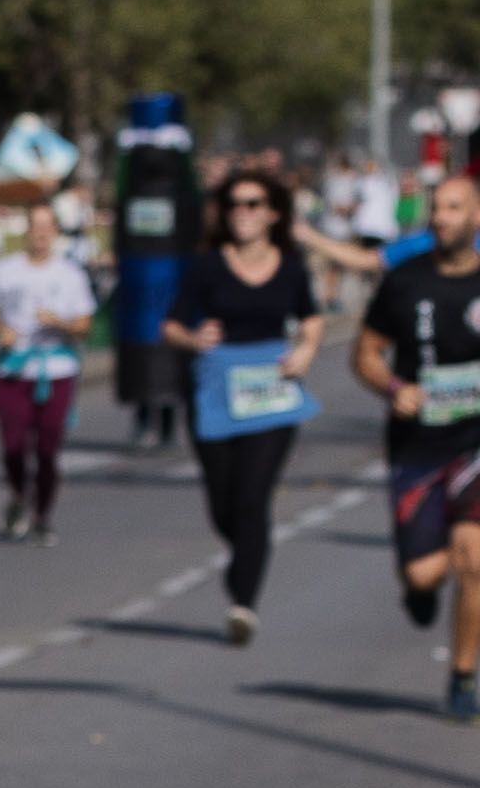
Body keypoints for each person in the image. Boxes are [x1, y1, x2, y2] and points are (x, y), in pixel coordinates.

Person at [161, 168, 321, 646]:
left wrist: (306, 352)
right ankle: (245, 556)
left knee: (254, 495)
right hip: (215, 389)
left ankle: (243, 602)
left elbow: (312, 320)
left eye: (253, 204)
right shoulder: (207, 266)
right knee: (224, 504)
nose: (242, 213)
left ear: (273, 213)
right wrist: (193, 337)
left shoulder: (291, 268)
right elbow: (169, 325)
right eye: (234, 204)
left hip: (271, 393)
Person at [352, 173, 480, 720]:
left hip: (476, 443)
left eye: (454, 208)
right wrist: (393, 388)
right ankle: (419, 589)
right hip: (418, 447)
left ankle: (462, 676)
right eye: (437, 208)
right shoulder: (405, 282)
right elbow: (365, 354)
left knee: (473, 558)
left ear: (476, 216)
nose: (442, 217)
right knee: (425, 574)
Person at [0, 201, 98, 543]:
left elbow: (84, 326)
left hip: (57, 368)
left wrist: (60, 323)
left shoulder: (70, 274)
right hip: (14, 368)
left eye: (49, 226)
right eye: (36, 226)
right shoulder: (6, 270)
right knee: (13, 446)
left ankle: (42, 516)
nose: (42, 233)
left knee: (48, 449)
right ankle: (19, 496)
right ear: (27, 230)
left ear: (57, 232)